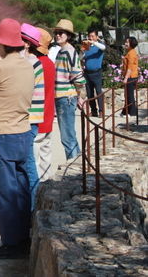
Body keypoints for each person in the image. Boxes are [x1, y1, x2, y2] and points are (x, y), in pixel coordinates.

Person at [0, 18, 34, 259]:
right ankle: (24, 237)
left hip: (1, 132)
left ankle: (11, 243)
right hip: (23, 131)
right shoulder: (27, 65)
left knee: (4, 190)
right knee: (21, 187)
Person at [53, 19, 86, 160]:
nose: (58, 35)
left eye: (61, 33)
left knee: (67, 137)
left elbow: (78, 76)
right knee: (69, 136)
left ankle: (73, 168)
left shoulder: (68, 52)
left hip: (65, 97)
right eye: (57, 33)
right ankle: (78, 164)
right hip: (64, 96)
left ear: (69, 36)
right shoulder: (64, 51)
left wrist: (81, 96)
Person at [20, 23, 44, 209]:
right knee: (26, 163)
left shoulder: (31, 63)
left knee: (28, 164)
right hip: (31, 119)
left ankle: (34, 207)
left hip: (28, 119)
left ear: (27, 43)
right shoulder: (32, 62)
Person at [33, 28, 56, 182]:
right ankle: (46, 186)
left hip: (36, 118)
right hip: (47, 116)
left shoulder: (35, 65)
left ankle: (35, 193)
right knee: (46, 155)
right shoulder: (49, 63)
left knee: (33, 160)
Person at [82, 30, 106, 117]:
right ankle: (93, 111)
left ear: (96, 37)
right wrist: (82, 51)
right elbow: (81, 57)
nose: (90, 38)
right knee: (89, 93)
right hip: (87, 73)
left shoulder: (99, 46)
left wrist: (94, 42)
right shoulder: (87, 47)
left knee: (98, 92)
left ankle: (101, 111)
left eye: (92, 36)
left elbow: (103, 47)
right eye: (89, 36)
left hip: (96, 73)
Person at [121, 36, 139, 117]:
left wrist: (125, 78)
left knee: (129, 95)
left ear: (131, 43)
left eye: (127, 42)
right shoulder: (129, 52)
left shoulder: (131, 53)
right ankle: (125, 112)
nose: (125, 43)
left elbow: (130, 68)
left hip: (131, 76)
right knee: (127, 94)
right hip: (129, 76)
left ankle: (132, 113)